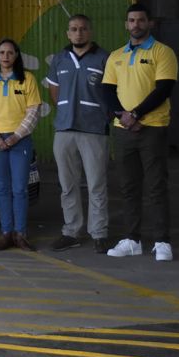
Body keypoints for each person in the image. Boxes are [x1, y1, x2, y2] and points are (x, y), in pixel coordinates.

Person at [102, 3, 178, 261]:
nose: (136, 24)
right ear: (127, 24)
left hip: (152, 128)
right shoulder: (116, 55)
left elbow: (164, 89)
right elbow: (107, 91)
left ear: (150, 23)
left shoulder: (163, 52)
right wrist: (122, 116)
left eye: (141, 20)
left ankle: (162, 241)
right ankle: (133, 240)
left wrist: (135, 114)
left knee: (156, 186)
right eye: (132, 20)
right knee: (128, 187)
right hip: (123, 130)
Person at [45, 15, 113, 254]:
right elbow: (54, 92)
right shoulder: (60, 59)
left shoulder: (104, 58)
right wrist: (67, 111)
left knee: (96, 184)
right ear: (68, 33)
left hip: (94, 130)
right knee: (68, 185)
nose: (78, 33)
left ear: (90, 32)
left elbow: (111, 93)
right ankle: (72, 231)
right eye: (74, 29)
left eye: (83, 29)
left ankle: (99, 233)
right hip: (64, 130)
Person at [0, 38, 42, 251]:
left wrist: (15, 136)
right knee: (2, 188)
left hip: (20, 141)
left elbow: (33, 112)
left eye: (10, 53)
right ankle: (6, 233)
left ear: (16, 56)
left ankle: (20, 234)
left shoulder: (27, 80)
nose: (5, 56)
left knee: (20, 188)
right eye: (2, 52)